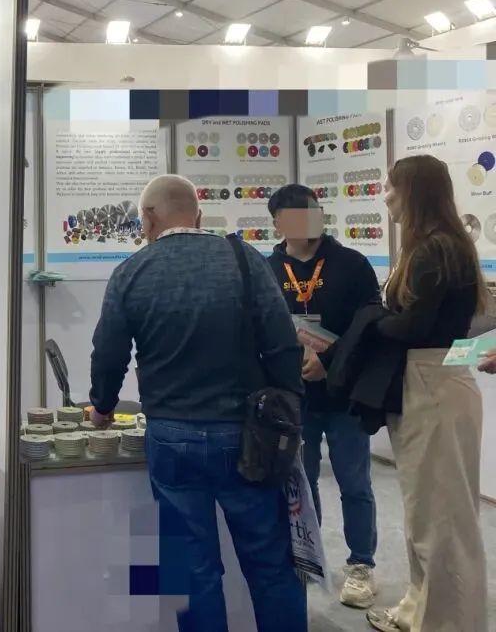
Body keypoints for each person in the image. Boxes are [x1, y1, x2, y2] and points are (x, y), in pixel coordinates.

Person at [89, 174, 306, 632]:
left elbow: (108, 354)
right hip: (246, 436)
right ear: (198, 215)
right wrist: (288, 414)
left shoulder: (130, 272)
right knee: (271, 564)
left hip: (170, 438)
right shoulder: (245, 259)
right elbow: (284, 344)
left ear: (149, 216)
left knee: (189, 571)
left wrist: (102, 408)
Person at [363, 154, 487, 632]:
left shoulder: (435, 249)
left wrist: (369, 320)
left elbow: (413, 326)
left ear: (413, 192)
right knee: (426, 513)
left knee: (441, 520)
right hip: (432, 381)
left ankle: (446, 622)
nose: (386, 197)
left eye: (390, 188)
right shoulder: (440, 245)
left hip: (432, 383)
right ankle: (420, 609)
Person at [266, 184, 380, 608]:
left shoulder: (352, 264)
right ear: (277, 223)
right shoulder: (267, 269)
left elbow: (370, 327)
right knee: (301, 481)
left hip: (344, 394)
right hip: (294, 396)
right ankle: (309, 557)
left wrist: (329, 362)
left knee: (355, 482)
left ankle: (361, 564)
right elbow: (260, 327)